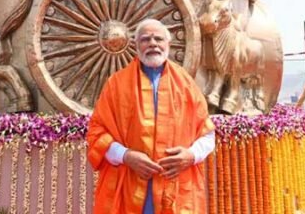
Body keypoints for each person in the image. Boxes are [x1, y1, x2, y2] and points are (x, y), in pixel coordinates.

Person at [88, 19, 215, 214]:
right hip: (128, 186)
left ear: (168, 44)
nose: (153, 43)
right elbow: (97, 133)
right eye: (146, 39)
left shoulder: (187, 85)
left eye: (158, 38)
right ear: (136, 45)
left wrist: (190, 155)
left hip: (176, 188)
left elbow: (207, 135)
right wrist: (125, 156)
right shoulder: (116, 84)